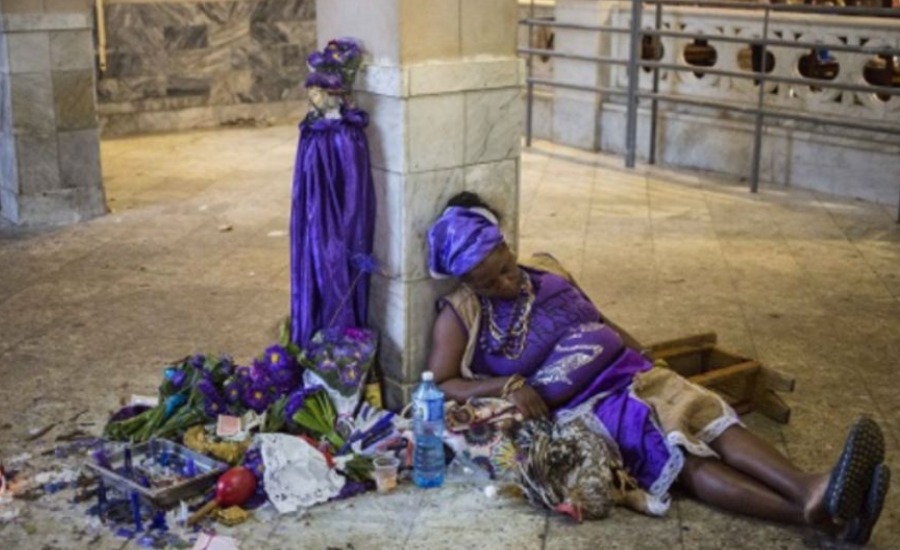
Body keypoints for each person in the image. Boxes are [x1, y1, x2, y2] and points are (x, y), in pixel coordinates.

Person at [425, 192, 890, 544]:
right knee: (678, 456)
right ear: (468, 282)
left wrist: (649, 357)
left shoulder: (545, 272)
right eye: (489, 282)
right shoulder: (460, 313)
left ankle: (809, 487)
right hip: (588, 407)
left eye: (505, 266)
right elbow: (442, 382)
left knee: (707, 414)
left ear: (508, 245)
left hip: (631, 370)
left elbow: (599, 318)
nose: (506, 282)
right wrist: (505, 384)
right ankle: (811, 512)